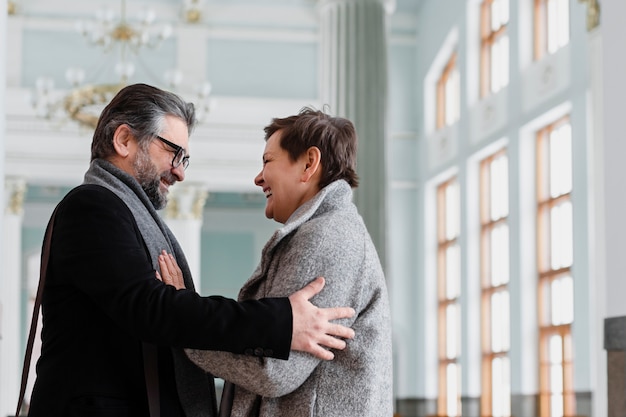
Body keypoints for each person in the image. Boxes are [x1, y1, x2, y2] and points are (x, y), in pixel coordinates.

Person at [26, 84, 355, 417]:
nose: (180, 172)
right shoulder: (92, 206)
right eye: (173, 152)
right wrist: (280, 322)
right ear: (124, 140)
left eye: (184, 159)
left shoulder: (121, 210)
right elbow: (150, 308)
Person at [183, 107, 393, 416]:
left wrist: (181, 328)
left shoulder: (325, 237)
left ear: (309, 164)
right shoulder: (331, 229)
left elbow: (273, 370)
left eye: (267, 161)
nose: (258, 177)